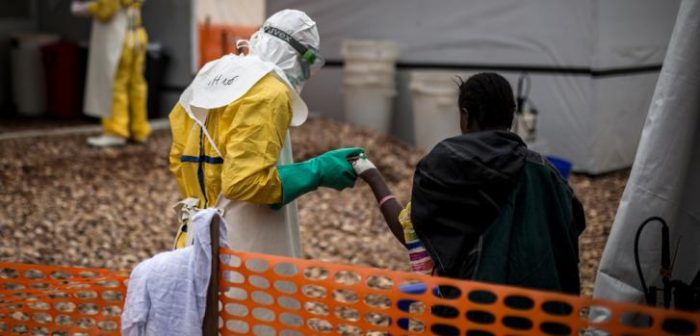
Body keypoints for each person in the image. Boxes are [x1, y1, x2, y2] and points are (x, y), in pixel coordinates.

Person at [353, 72, 586, 295]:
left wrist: (372, 175)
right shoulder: (547, 173)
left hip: (471, 316)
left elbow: (413, 235)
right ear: (512, 115)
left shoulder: (445, 166)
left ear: (465, 115)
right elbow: (572, 228)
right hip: (546, 317)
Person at [168, 9, 363, 255]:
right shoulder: (269, 92)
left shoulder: (211, 74)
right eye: (306, 65)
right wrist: (317, 171)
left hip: (192, 240)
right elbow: (244, 182)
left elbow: (178, 159)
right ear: (296, 58)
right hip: (236, 250)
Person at [71, 0, 150, 147]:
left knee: (115, 84)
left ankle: (116, 131)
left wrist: (86, 8)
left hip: (119, 37)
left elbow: (107, 9)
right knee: (136, 85)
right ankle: (139, 130)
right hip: (137, 35)